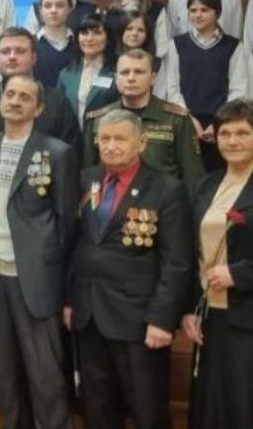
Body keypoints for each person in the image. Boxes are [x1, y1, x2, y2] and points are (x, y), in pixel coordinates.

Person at [66, 109, 195, 429]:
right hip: (89, 313)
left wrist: (162, 319)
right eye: (104, 139)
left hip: (139, 319)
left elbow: (177, 262)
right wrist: (69, 299)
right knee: (97, 406)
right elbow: (73, 244)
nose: (110, 146)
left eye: (120, 139)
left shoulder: (166, 188)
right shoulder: (85, 179)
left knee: (147, 409)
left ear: (142, 142)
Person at [0, 74, 78, 429]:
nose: (15, 101)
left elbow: (67, 221)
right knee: (3, 367)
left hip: (36, 273)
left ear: (38, 108)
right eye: (10, 94)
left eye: (25, 97)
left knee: (44, 370)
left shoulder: (57, 152)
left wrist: (52, 268)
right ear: (0, 101)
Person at [183, 99, 253, 429]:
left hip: (247, 314)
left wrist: (238, 274)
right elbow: (190, 252)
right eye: (225, 133)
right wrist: (190, 309)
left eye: (243, 133)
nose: (232, 141)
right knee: (210, 407)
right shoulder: (205, 185)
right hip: (211, 315)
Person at [84, 49, 205, 190]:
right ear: (116, 79)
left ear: (153, 78)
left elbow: (193, 177)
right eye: (124, 72)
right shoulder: (97, 120)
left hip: (161, 199)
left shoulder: (177, 119)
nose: (131, 78)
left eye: (139, 72)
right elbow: (88, 174)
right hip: (112, 199)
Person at [161, 0, 251, 171]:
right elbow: (173, 88)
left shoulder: (233, 46)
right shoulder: (176, 45)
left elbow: (238, 89)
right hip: (185, 121)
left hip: (220, 123)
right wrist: (188, 120)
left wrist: (218, 122)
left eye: (204, 10)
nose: (198, 15)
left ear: (216, 12)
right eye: (193, 10)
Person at [0, 27, 81, 154]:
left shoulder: (57, 103)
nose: (12, 57)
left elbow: (71, 155)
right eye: (5, 51)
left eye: (20, 51)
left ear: (34, 58)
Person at [57, 12, 117, 125]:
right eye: (84, 33)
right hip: (72, 135)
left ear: (108, 38)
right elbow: (60, 113)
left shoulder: (117, 72)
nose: (89, 38)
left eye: (97, 33)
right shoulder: (66, 74)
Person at [33, 0, 77, 89]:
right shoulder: (30, 44)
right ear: (40, 10)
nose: (53, 10)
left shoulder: (81, 44)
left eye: (60, 5)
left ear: (69, 9)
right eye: (47, 6)